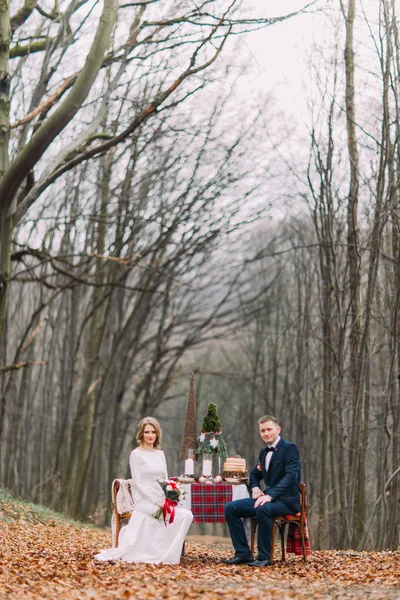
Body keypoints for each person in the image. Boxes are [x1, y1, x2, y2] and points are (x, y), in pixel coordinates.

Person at [95, 416, 193, 564]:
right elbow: (138, 483)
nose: (150, 435)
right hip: (144, 502)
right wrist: (155, 501)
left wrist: (172, 494)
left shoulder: (160, 454)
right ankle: (159, 554)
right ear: (141, 434)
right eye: (147, 432)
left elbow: (165, 480)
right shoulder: (136, 454)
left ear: (157, 434)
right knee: (172, 516)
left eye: (153, 432)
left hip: (162, 499)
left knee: (186, 515)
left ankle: (170, 553)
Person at [221, 415, 301, 567]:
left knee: (262, 509)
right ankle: (243, 553)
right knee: (231, 508)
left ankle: (264, 557)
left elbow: (290, 477)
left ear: (278, 429)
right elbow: (254, 474)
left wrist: (270, 495)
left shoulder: (290, 448)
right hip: (267, 498)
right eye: (262, 431)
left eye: (269, 429)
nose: (266, 433)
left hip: (287, 501)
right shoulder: (264, 452)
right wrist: (255, 487)